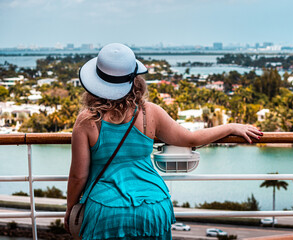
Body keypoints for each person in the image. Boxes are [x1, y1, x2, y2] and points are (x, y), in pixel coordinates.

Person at [64, 43, 262, 239]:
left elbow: (78, 177)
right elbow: (190, 138)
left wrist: (70, 208)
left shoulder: (87, 121)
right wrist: (231, 127)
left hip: (105, 209)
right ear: (135, 80)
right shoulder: (150, 113)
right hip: (153, 206)